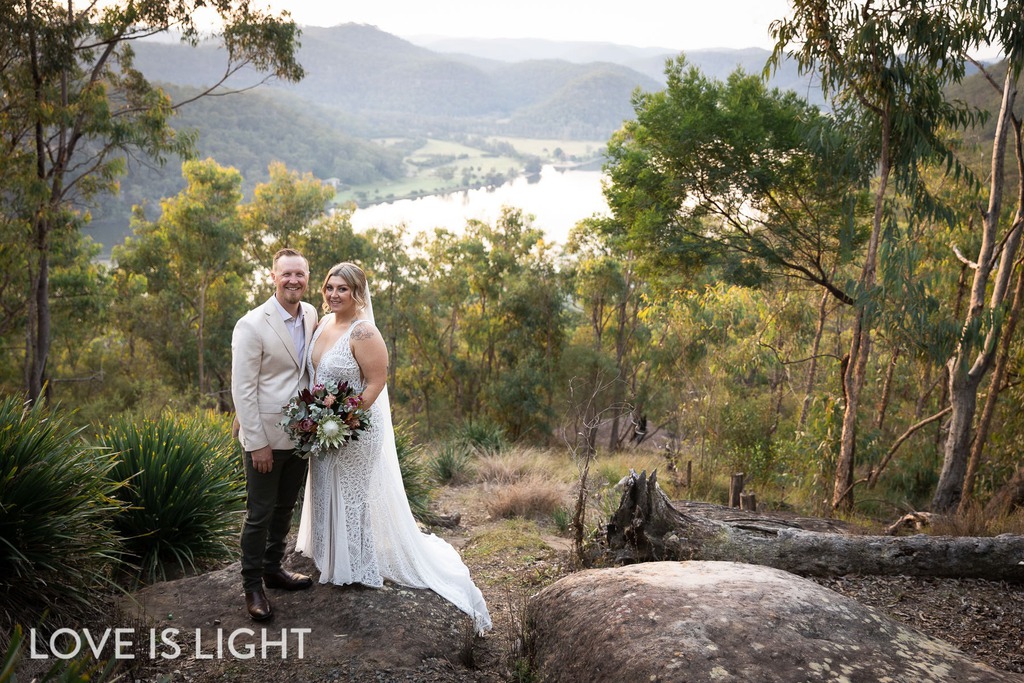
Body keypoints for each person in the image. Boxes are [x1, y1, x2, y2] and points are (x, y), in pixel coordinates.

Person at [296, 262, 491, 634]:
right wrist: (320, 421)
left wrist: (346, 417)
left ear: (358, 294)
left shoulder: (364, 331)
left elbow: (375, 383)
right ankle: (330, 558)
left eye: (343, 289)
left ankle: (353, 566)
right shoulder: (322, 324)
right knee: (324, 489)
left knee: (351, 495)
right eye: (329, 288)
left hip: (356, 428)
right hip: (324, 430)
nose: (334, 294)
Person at [231, 247, 318, 621]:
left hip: (300, 435)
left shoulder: (313, 314)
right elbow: (243, 390)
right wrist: (257, 443)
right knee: (260, 513)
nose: (293, 280)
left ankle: (273, 568)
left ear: (307, 278)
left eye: (300, 274)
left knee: (285, 508)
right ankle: (252, 586)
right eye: (287, 274)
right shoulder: (251, 324)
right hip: (265, 437)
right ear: (273, 276)